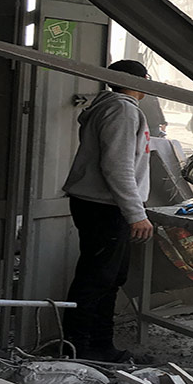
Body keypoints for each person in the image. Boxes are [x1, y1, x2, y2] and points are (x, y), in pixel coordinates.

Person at [61, 60, 155, 363]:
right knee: (97, 278)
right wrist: (136, 214)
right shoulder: (122, 109)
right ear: (139, 81)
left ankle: (101, 346)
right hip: (105, 207)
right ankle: (79, 348)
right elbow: (117, 167)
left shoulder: (110, 106)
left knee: (111, 277)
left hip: (101, 205)